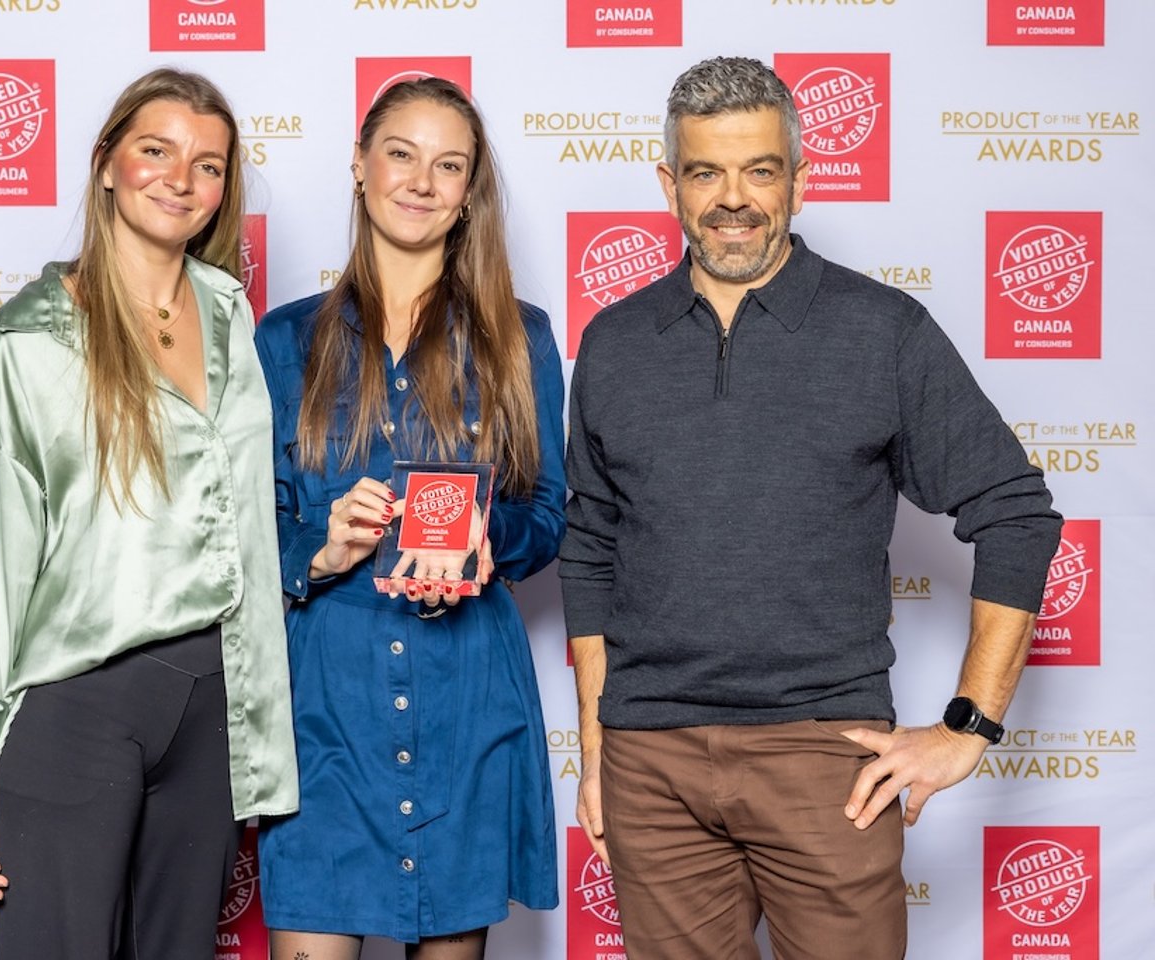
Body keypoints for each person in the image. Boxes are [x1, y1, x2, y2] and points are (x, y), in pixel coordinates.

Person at [560, 56, 1062, 960]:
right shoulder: (614, 342)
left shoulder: (882, 331)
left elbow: (1016, 513)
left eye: (760, 169)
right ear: (669, 183)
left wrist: (968, 727)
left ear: (798, 177)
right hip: (650, 763)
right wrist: (598, 752)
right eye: (706, 172)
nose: (733, 199)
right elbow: (591, 550)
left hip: (826, 757)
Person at [0, 68, 297, 959]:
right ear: (104, 165)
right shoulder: (28, 338)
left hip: (214, 704)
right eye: (155, 151)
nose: (181, 178)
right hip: (78, 702)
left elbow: (242, 515)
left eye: (208, 165)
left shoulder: (231, 313)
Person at [253, 77, 565, 959]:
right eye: (401, 154)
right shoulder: (283, 341)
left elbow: (549, 514)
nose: (422, 181)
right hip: (326, 709)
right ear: (359, 166)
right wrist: (319, 550)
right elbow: (243, 538)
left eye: (449, 164)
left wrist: (487, 538)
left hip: (465, 698)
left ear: (469, 193)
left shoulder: (519, 335)